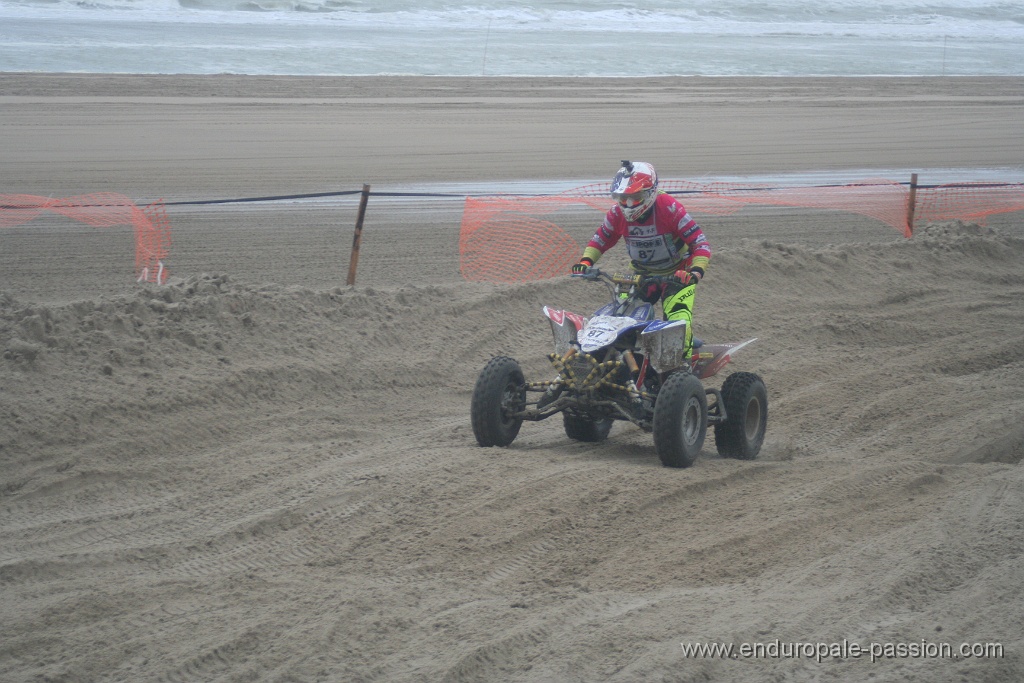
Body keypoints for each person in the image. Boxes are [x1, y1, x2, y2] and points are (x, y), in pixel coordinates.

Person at [571, 160, 711, 354]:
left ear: (650, 193)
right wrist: (585, 262)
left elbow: (700, 243)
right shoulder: (616, 213)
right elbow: (601, 239)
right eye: (622, 198)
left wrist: (695, 272)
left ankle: (682, 368)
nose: (628, 205)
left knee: (678, 326)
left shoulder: (669, 208)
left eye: (635, 198)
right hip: (642, 275)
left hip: (678, 275)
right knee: (619, 318)